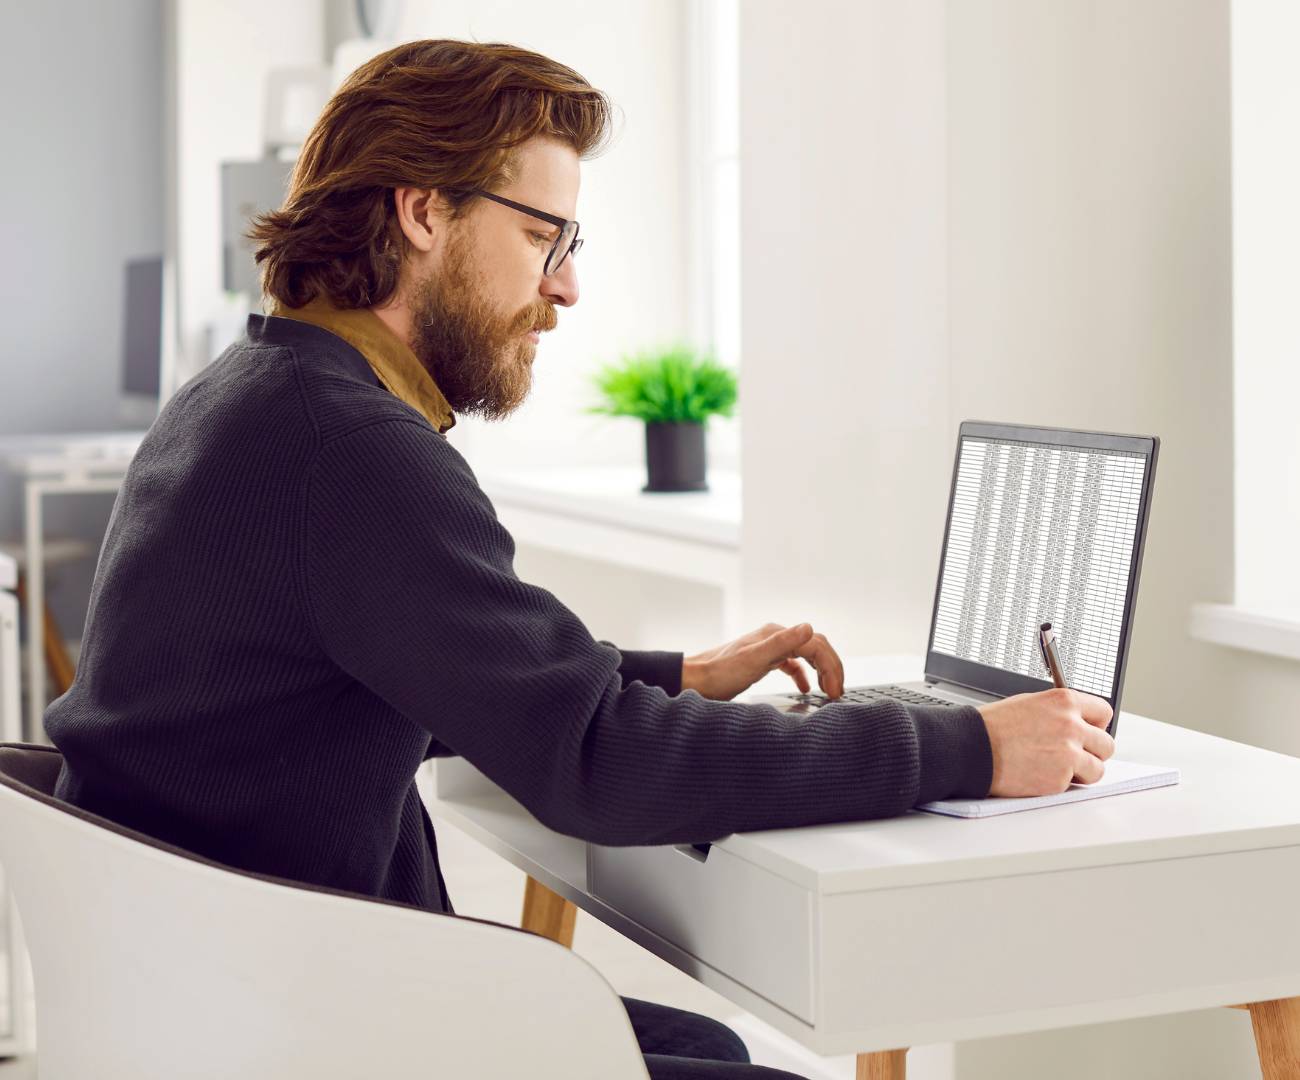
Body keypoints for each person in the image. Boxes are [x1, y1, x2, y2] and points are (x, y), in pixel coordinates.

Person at [44, 39, 1114, 1079]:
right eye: (544, 238)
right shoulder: (353, 452)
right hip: (298, 1013)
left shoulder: (252, 394)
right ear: (423, 210)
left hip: (197, 983)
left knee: (707, 1045)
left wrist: (672, 677)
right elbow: (597, 767)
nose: (564, 290)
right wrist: (969, 749)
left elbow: (403, 660)